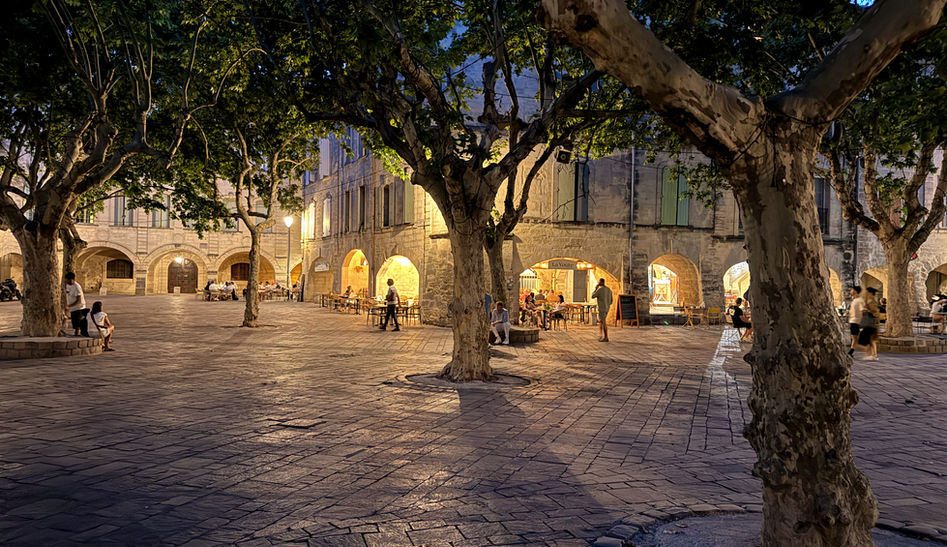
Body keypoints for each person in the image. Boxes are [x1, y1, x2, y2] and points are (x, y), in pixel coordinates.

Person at [856, 288, 881, 360]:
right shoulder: (870, 300)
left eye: (867, 292)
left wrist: (867, 310)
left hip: (871, 323)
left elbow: (875, 312)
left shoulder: (871, 301)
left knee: (868, 339)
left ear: (870, 293)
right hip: (871, 323)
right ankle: (873, 355)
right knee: (872, 339)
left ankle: (872, 354)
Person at [64, 272, 89, 336]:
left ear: (72, 279)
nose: (67, 281)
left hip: (79, 308)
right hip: (73, 308)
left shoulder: (77, 287)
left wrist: (69, 306)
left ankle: (78, 334)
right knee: (74, 323)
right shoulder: (67, 285)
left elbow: (79, 300)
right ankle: (76, 334)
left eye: (68, 280)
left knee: (78, 323)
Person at [847, 286, 865, 356]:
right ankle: (851, 351)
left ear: (855, 291)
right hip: (853, 320)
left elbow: (863, 310)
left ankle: (851, 352)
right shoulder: (855, 299)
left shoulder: (860, 300)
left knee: (854, 338)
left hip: (856, 321)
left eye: (852, 289)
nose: (851, 290)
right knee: (854, 337)